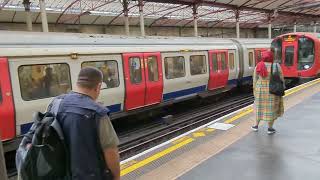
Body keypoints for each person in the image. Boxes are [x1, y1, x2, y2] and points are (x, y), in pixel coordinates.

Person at [55, 67, 120, 180]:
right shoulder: (98, 113)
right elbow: (110, 151)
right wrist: (116, 177)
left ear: (77, 84)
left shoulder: (56, 103)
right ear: (98, 87)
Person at [251, 51, 284, 134]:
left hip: (260, 89)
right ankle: (270, 128)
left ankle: (255, 125)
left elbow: (255, 79)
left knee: (259, 107)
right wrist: (282, 87)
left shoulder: (259, 65)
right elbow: (281, 78)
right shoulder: (276, 66)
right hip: (273, 89)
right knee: (271, 108)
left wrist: (255, 89)